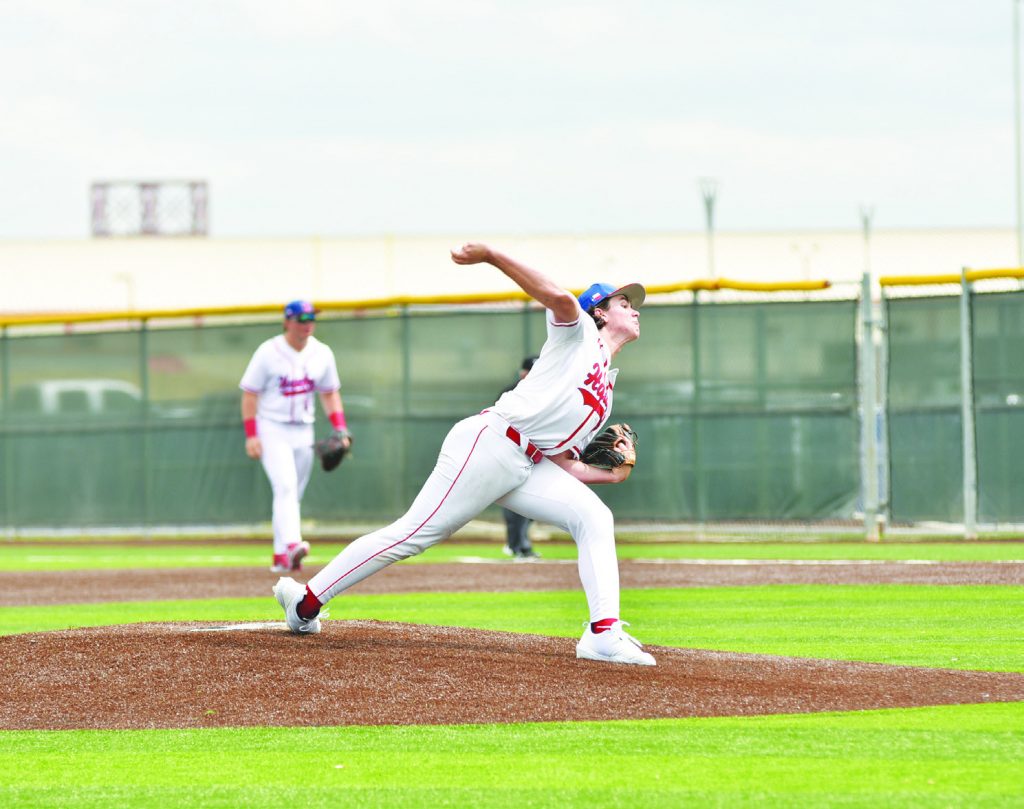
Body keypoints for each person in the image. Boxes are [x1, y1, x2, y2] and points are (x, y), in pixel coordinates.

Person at [273, 244, 655, 666]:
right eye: (624, 302)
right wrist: (492, 255)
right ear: (599, 312)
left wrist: (612, 476)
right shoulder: (578, 335)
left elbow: (562, 462)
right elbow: (561, 299)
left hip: (525, 464)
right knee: (413, 535)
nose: (635, 309)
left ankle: (603, 634)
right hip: (489, 442)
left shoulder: (605, 388)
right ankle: (305, 604)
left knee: (594, 517)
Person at [240, 300, 352, 573]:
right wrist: (252, 435)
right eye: (301, 319)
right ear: (287, 322)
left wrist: (340, 428)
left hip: (304, 429)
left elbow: (329, 393)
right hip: (272, 428)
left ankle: (281, 556)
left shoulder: (322, 353)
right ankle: (292, 544)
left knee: (293, 492)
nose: (307, 323)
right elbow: (249, 394)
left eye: (311, 318)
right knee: (286, 487)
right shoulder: (268, 352)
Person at [501, 356, 540, 559]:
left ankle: (520, 543)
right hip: (511, 455)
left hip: (534, 457)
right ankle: (517, 545)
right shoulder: (511, 393)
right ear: (522, 373)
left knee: (532, 504)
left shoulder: (544, 392)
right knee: (515, 503)